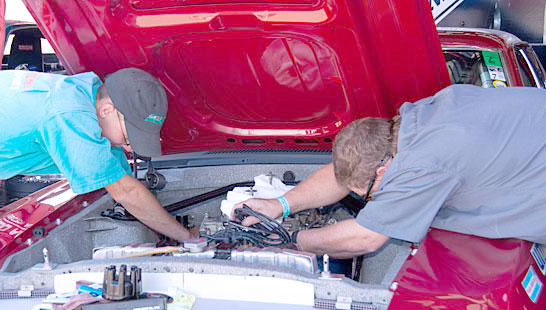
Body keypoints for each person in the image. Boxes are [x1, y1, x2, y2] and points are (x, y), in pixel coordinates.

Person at [233, 84, 546, 258]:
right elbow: (346, 175)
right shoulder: (416, 120)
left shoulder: (424, 164)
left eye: (366, 196)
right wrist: (280, 205)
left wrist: (289, 240)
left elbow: (365, 239)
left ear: (383, 171)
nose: (367, 200)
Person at [0, 67, 196, 241]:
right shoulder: (71, 114)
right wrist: (187, 237)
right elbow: (125, 191)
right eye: (129, 138)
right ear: (108, 109)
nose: (129, 148)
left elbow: (123, 178)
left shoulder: (87, 94)